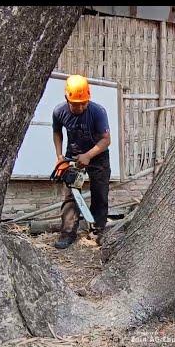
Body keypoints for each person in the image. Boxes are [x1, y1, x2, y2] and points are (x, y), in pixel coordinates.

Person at [52, 75, 111, 249]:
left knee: (100, 193)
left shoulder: (98, 111)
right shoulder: (59, 111)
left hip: (98, 155)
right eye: (76, 104)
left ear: (88, 98)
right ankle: (68, 233)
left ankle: (97, 230)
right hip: (74, 155)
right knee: (71, 196)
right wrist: (59, 156)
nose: (80, 107)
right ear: (67, 98)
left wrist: (88, 155)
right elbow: (57, 133)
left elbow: (106, 140)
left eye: (83, 103)